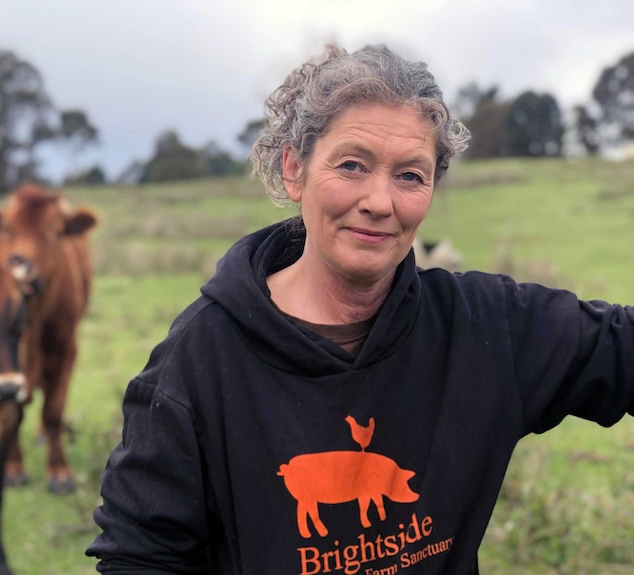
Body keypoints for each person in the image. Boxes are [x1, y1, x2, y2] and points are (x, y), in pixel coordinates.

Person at [85, 44, 634, 575]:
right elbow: (141, 555)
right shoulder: (198, 363)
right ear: (294, 169)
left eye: (410, 175)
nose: (380, 201)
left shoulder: (487, 329)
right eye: (352, 165)